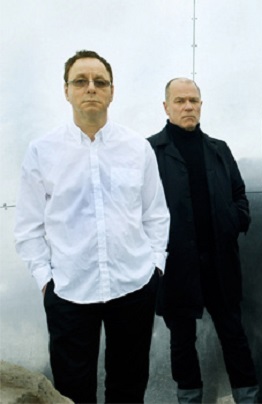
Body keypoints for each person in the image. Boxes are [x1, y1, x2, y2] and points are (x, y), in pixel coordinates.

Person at [14, 50, 170, 403]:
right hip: (69, 289)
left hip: (133, 285)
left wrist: (155, 268)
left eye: (100, 82)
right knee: (71, 391)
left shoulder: (137, 149)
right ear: (66, 90)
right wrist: (45, 281)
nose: (91, 88)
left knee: (128, 388)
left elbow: (155, 214)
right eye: (80, 81)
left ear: (112, 91)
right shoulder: (42, 151)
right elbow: (28, 226)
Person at [148, 78, 259, 404]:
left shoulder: (218, 149)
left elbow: (239, 194)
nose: (188, 107)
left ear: (201, 105)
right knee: (182, 342)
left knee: (234, 336)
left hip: (220, 263)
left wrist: (234, 220)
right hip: (176, 266)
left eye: (193, 101)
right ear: (166, 107)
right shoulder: (151, 152)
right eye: (180, 101)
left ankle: (248, 398)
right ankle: (189, 400)